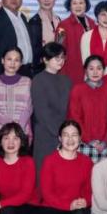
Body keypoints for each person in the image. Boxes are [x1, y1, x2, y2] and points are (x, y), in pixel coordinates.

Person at [38, 120, 97, 214]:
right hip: (53, 208)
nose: (70, 139)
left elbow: (90, 191)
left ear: (80, 138)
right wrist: (68, 205)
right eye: (66, 135)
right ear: (60, 138)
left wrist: (85, 201)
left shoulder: (86, 162)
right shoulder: (49, 161)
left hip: (76, 209)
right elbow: (46, 194)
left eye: (74, 135)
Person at [30, 42, 72, 173]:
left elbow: (70, 108)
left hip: (65, 134)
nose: (61, 61)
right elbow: (42, 113)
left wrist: (67, 132)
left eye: (62, 57)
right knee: (44, 171)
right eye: (56, 58)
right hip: (46, 134)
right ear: (45, 59)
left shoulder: (67, 81)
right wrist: (60, 133)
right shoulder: (38, 80)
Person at [0, 46, 34, 150]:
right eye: (9, 59)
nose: (12, 63)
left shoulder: (27, 82)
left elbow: (28, 108)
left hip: (20, 133)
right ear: (2, 60)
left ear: (21, 63)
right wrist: (9, 124)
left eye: (17, 60)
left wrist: (18, 128)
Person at [69, 55, 107, 162]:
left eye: (99, 68)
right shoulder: (77, 90)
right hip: (83, 143)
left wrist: (105, 140)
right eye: (91, 68)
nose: (95, 72)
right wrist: (89, 140)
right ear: (86, 71)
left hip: (105, 145)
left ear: (104, 70)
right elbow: (75, 117)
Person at [56, 0, 96, 84]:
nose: (78, 6)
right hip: (70, 71)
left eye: (81, 3)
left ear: (86, 5)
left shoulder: (92, 23)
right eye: (74, 3)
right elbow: (58, 50)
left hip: (90, 70)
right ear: (70, 6)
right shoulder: (62, 26)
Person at [27, 0, 61, 73]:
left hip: (59, 66)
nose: (46, 0)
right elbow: (34, 51)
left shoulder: (58, 19)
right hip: (42, 69)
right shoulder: (34, 21)